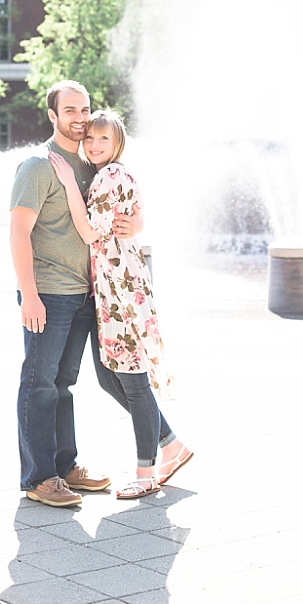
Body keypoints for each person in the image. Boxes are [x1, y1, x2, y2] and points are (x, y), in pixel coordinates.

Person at [9, 80, 141, 508]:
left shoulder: (90, 164)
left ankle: (65, 468)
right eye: (70, 111)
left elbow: (122, 211)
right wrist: (28, 294)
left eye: (85, 110)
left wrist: (135, 224)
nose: (81, 119)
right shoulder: (37, 166)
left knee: (64, 384)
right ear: (53, 115)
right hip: (48, 292)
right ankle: (39, 477)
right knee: (39, 383)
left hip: (86, 295)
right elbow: (18, 233)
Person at [48, 110, 192, 499]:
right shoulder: (110, 174)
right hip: (111, 289)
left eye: (103, 140)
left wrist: (67, 185)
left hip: (121, 290)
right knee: (110, 378)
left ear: (117, 144)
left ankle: (146, 471)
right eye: (90, 138)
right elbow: (129, 217)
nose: (94, 145)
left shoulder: (111, 175)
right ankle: (171, 444)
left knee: (131, 380)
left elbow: (91, 230)